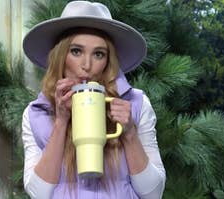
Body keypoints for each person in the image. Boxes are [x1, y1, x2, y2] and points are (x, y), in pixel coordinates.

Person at [22, 1, 166, 199]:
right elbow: (39, 194)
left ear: (108, 61)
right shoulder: (36, 113)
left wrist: (130, 133)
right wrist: (61, 122)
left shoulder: (137, 104)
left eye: (98, 54)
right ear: (60, 56)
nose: (87, 65)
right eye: (76, 51)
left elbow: (153, 194)